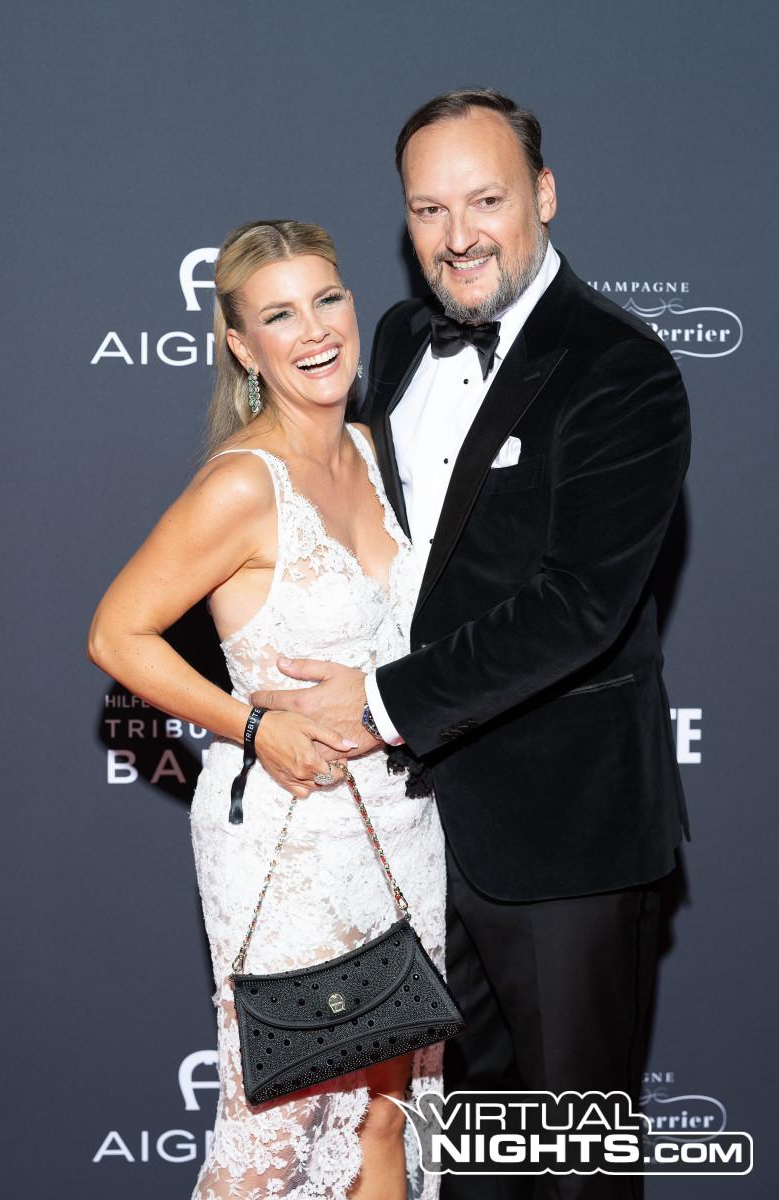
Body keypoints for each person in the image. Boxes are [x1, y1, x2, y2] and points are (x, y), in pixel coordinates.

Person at [248, 90, 691, 1199]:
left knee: (572, 1165)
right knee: (458, 1163)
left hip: (562, 843)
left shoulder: (620, 370)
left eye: (485, 200)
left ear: (543, 194)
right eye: (429, 209)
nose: (458, 236)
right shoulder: (401, 339)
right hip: (409, 834)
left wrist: (378, 703)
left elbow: (578, 607)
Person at [86, 219, 447, 1200]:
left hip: (402, 824)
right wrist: (253, 726)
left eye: (327, 299)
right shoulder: (243, 482)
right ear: (243, 346)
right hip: (290, 841)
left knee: (389, 1116)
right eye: (279, 315)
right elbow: (116, 633)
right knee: (275, 1133)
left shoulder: (374, 450)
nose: (315, 329)